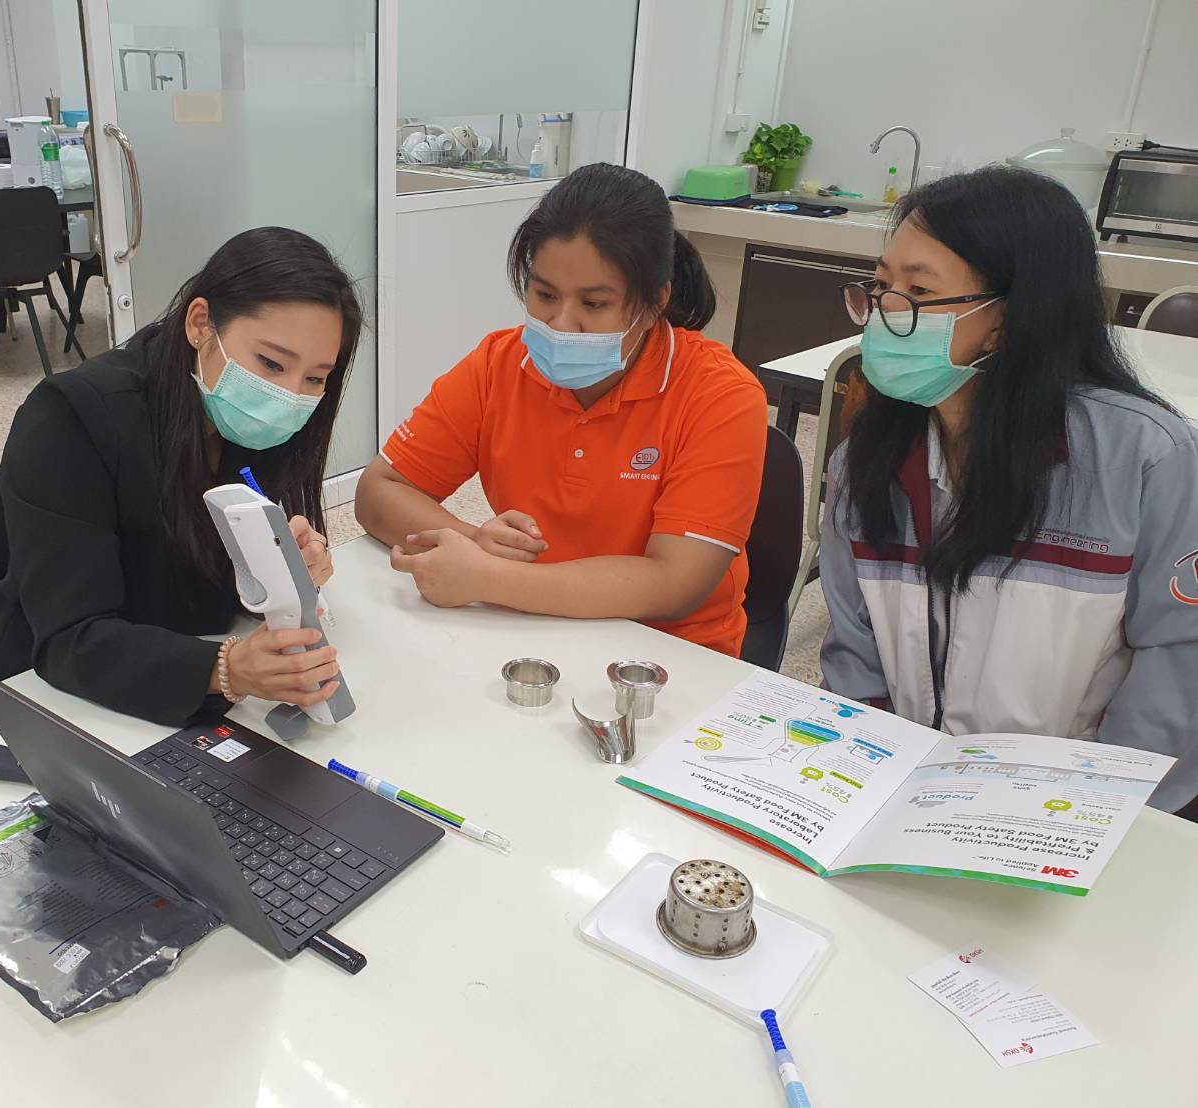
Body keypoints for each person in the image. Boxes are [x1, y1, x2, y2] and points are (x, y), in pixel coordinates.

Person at [819, 165, 1198, 814]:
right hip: (901, 799)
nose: (883, 314)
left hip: (1068, 814)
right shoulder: (866, 463)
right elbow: (855, 654)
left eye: (917, 291)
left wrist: (1098, 814)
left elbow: (1178, 661)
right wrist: (863, 785)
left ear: (1008, 318)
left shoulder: (1144, 457)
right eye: (880, 287)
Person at [355, 164, 767, 656]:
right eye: (545, 295)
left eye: (594, 304)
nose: (562, 323)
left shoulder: (719, 394)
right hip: (526, 628)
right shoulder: (500, 363)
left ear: (654, 303)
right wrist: (472, 542)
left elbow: (676, 584)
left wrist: (489, 578)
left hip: (665, 653)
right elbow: (380, 491)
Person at [0, 227, 358, 725]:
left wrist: (279, 569)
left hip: (173, 664)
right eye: (271, 363)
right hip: (47, 696)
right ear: (200, 324)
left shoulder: (245, 423)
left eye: (315, 377)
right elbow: (70, 638)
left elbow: (201, 573)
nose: (288, 395)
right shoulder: (72, 418)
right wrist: (226, 670)